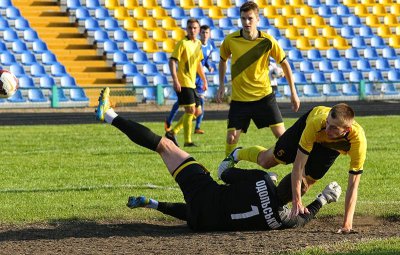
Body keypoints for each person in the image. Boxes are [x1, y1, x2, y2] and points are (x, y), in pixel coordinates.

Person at [95, 87, 342, 232]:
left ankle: (108, 114)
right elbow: (303, 218)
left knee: (164, 145)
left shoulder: (264, 180)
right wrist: (324, 198)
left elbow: (225, 173)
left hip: (206, 193)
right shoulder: (279, 221)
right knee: (204, 212)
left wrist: (231, 159)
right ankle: (152, 203)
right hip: (204, 222)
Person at [218, 103, 367, 234]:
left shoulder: (357, 142)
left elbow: (353, 185)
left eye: (333, 127)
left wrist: (347, 224)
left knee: (303, 185)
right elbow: (298, 165)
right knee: (267, 161)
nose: (327, 128)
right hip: (307, 129)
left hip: (331, 149)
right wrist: (297, 201)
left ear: (346, 130)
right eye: (327, 123)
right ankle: (237, 153)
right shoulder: (317, 124)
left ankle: (274, 201)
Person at [216, 1, 300, 156]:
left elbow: (285, 64)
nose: (246, 22)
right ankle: (227, 169)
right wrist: (221, 85)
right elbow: (222, 60)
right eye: (243, 19)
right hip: (240, 99)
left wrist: (293, 93)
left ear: (257, 19)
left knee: (282, 136)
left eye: (250, 18)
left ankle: (299, 169)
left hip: (264, 96)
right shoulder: (230, 40)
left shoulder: (268, 41)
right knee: (231, 137)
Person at [165, 25, 216, 135]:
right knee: (183, 104)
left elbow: (202, 61)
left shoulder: (209, 47)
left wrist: (208, 68)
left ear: (210, 34)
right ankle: (169, 122)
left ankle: (196, 127)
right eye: (203, 32)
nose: (204, 35)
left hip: (198, 79)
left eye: (206, 33)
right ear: (199, 33)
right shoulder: (190, 43)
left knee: (198, 106)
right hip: (188, 78)